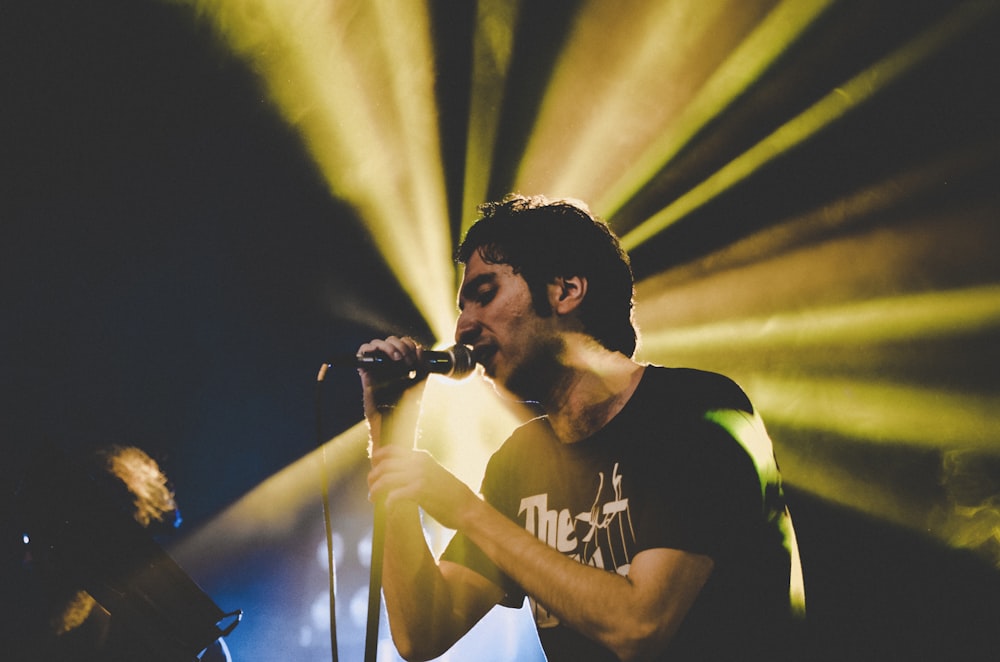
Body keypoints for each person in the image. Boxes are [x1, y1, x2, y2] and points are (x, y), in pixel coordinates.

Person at [361, 194, 805, 661]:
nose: (463, 328)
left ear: (566, 290)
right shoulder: (519, 461)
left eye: (485, 294)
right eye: (462, 307)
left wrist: (467, 510)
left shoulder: (696, 412)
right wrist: (389, 432)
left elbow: (640, 626)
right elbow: (421, 632)